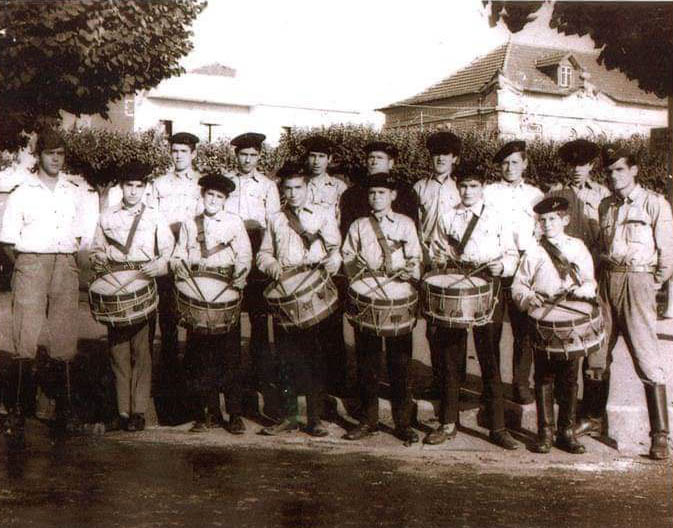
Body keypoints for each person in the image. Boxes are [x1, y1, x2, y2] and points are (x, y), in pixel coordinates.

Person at [575, 145, 673, 460]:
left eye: (620, 169)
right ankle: (593, 418)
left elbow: (668, 253)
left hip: (637, 281)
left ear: (634, 171)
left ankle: (660, 434)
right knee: (596, 352)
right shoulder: (606, 205)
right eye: (610, 171)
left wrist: (650, 283)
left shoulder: (653, 203)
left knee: (646, 357)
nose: (614, 176)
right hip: (607, 280)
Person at [0, 128, 87, 442]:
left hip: (64, 262)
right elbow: (8, 241)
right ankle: (17, 412)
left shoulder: (73, 191)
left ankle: (65, 411)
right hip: (31, 262)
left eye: (60, 153)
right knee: (25, 334)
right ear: (39, 156)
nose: (56, 159)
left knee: (64, 336)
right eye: (50, 153)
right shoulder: (23, 192)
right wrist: (28, 265)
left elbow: (79, 235)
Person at [427, 162, 520, 450]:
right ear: (458, 186)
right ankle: (448, 422)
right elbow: (435, 248)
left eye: (474, 186)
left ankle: (497, 426)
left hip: (487, 284)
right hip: (455, 282)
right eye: (463, 186)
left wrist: (502, 266)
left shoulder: (497, 217)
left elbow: (512, 253)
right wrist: (438, 258)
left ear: (483, 187)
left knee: (489, 356)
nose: (468, 191)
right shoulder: (447, 216)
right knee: (450, 356)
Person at [256, 164, 342, 436]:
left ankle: (315, 419)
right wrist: (270, 264)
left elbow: (336, 249)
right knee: (285, 358)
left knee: (315, 356)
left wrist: (334, 260)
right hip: (286, 294)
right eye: (288, 188)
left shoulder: (323, 214)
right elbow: (263, 254)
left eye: (298, 188)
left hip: (314, 290)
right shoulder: (275, 219)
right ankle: (288, 417)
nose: (293, 194)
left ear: (307, 188)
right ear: (282, 190)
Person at [90, 161, 174, 432]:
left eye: (139, 186)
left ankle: (138, 411)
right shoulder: (107, 216)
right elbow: (96, 249)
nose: (134, 191)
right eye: (129, 186)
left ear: (145, 188)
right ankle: (122, 411)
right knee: (118, 352)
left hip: (142, 285)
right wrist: (99, 259)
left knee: (142, 352)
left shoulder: (155, 216)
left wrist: (159, 266)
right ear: (121, 187)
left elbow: (168, 252)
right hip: (116, 286)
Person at [512, 197, 597, 454]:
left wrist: (583, 290)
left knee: (570, 377)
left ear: (565, 220)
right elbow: (519, 284)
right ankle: (545, 432)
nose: (547, 224)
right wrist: (528, 297)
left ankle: (566, 432)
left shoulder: (577, 247)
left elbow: (590, 281)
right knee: (544, 376)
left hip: (570, 317)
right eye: (543, 220)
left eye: (553, 219)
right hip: (544, 319)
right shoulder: (534, 250)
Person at [341, 172, 421, 444]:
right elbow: (347, 256)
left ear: (393, 196)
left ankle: (403, 423)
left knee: (400, 364)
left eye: (382, 193)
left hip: (398, 296)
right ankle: (368, 420)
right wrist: (359, 275)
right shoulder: (359, 225)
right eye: (372, 193)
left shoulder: (406, 224)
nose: (376, 197)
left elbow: (415, 257)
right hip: (368, 296)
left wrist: (409, 270)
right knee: (367, 363)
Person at [172, 173, 252, 434]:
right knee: (200, 358)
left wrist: (240, 274)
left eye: (219, 196)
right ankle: (207, 413)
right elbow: (178, 253)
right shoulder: (190, 223)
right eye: (210, 195)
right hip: (198, 293)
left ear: (225, 199)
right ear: (202, 195)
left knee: (230, 357)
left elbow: (244, 255)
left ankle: (235, 414)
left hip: (225, 291)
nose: (214, 200)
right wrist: (178, 265)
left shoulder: (234, 222)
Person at [484, 140, 544, 405]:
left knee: (524, 330)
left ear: (525, 164)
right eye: (505, 163)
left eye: (515, 162)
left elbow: (540, 233)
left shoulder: (535, 195)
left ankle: (520, 383)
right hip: (494, 267)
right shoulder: (488, 193)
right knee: (491, 329)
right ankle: (492, 386)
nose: (509, 168)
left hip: (523, 269)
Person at [149, 131, 203, 422]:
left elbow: (202, 221)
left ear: (193, 153)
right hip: (166, 254)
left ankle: (194, 395)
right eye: (175, 150)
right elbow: (153, 220)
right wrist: (166, 255)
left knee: (194, 324)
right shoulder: (159, 184)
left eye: (184, 151)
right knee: (168, 324)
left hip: (192, 257)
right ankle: (168, 395)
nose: (178, 155)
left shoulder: (201, 184)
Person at [224, 132, 281, 392]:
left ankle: (260, 376)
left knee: (259, 316)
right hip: (230, 248)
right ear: (236, 156)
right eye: (243, 155)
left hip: (258, 246)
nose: (247, 160)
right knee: (231, 311)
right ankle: (232, 376)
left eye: (252, 155)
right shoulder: (227, 181)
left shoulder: (268, 186)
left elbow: (273, 222)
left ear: (259, 156)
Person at [414, 131, 464, 399]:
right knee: (433, 325)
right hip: (429, 263)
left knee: (457, 323)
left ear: (454, 158)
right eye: (436, 154)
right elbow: (415, 226)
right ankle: (438, 380)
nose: (440, 159)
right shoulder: (419, 188)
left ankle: (458, 382)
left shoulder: (462, 188)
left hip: (455, 264)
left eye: (445, 154)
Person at [301, 135, 350, 394]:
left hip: (329, 257)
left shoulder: (339, 188)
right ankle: (308, 381)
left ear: (330, 159)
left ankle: (336, 382)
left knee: (331, 320)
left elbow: (342, 223)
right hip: (304, 258)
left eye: (322, 156)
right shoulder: (298, 184)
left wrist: (336, 256)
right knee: (306, 318)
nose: (316, 161)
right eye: (312, 156)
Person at [548, 139, 611, 262]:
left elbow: (608, 229)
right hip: (564, 256)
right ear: (567, 166)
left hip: (594, 257)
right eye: (572, 165)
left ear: (590, 165)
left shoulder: (601, 193)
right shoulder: (556, 193)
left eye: (581, 164)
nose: (576, 169)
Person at [339, 141, 418, 237]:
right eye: (371, 157)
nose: (374, 162)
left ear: (391, 163)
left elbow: (411, 226)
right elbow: (347, 228)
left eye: (380, 158)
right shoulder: (353, 193)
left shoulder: (405, 191)